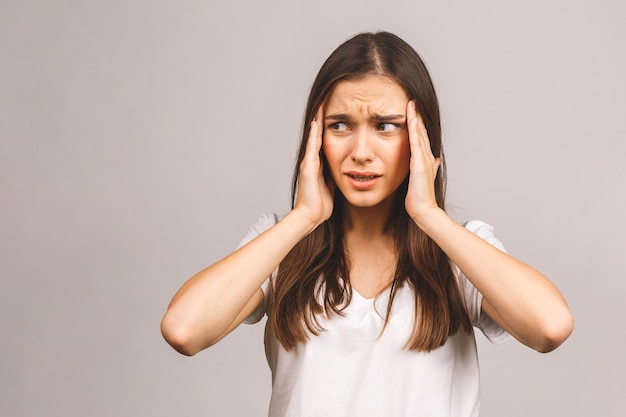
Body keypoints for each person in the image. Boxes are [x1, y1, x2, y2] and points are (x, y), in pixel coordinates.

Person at [161, 31, 574, 417]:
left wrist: (430, 216)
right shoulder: (281, 246)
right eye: (340, 125)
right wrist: (303, 218)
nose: (361, 151)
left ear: (420, 139)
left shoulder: (458, 253)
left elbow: (550, 327)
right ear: (315, 137)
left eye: (385, 127)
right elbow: (183, 330)